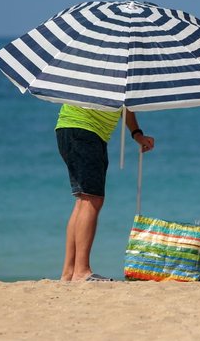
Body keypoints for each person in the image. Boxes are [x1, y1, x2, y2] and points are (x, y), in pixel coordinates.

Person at [55, 104, 154, 282]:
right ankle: (81, 271)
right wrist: (137, 134)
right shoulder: (119, 75)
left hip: (67, 127)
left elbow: (126, 105)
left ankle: (69, 272)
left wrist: (136, 134)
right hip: (87, 131)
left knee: (83, 199)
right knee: (92, 199)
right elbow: (127, 101)